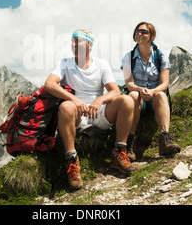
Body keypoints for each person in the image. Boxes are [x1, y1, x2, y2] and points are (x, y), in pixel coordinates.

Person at [44, 29, 135, 190]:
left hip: (97, 112)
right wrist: (74, 99)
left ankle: (119, 152)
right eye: (72, 41)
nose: (74, 44)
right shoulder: (65, 63)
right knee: (65, 106)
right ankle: (72, 162)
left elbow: (115, 91)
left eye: (78, 41)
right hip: (77, 113)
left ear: (89, 44)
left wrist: (100, 100)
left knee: (126, 100)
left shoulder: (101, 64)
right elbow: (49, 84)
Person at [121, 22, 180, 161]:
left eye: (143, 32)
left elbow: (164, 84)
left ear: (152, 36)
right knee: (133, 95)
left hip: (154, 97)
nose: (139, 34)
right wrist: (141, 90)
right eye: (137, 31)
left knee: (160, 94)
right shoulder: (127, 57)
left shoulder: (161, 56)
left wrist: (152, 91)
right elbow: (129, 84)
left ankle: (164, 139)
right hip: (138, 96)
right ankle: (130, 143)